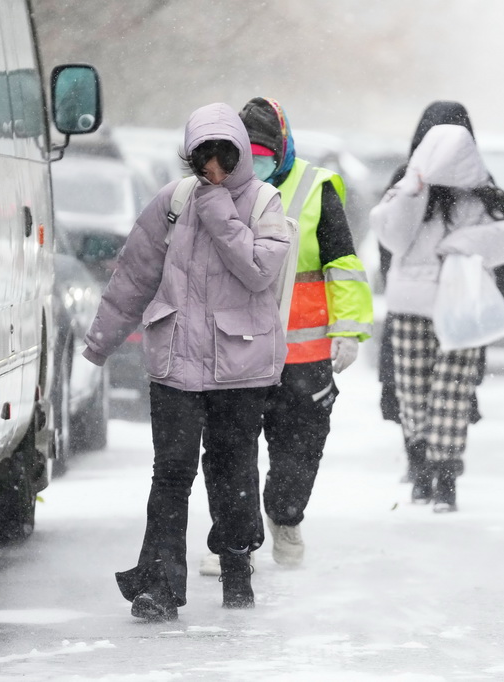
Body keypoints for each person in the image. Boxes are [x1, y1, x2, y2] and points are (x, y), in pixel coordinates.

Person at [82, 102, 290, 621]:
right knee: (171, 473)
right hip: (175, 363)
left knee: (232, 469)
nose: (213, 171)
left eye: (223, 158)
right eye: (203, 160)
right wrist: (100, 343)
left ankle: (237, 566)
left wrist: (219, 211)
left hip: (238, 367)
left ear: (240, 154)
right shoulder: (171, 202)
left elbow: (259, 271)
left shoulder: (265, 203)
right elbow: (133, 278)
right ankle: (158, 585)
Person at [198, 97, 373, 575]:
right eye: (245, 153)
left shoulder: (316, 189)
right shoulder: (214, 183)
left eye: (263, 154)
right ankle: (232, 542)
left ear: (283, 150)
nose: (254, 164)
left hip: (304, 353)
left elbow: (342, 263)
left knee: (298, 451)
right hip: (236, 352)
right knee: (231, 450)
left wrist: (350, 331)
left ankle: (286, 516)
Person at [370, 101, 504, 512]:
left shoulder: (482, 193)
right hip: (416, 306)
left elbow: (502, 243)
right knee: (414, 392)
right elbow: (391, 242)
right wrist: (415, 187)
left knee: (448, 395)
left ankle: (442, 474)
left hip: (460, 308)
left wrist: (461, 251)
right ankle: (423, 469)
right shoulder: (408, 185)